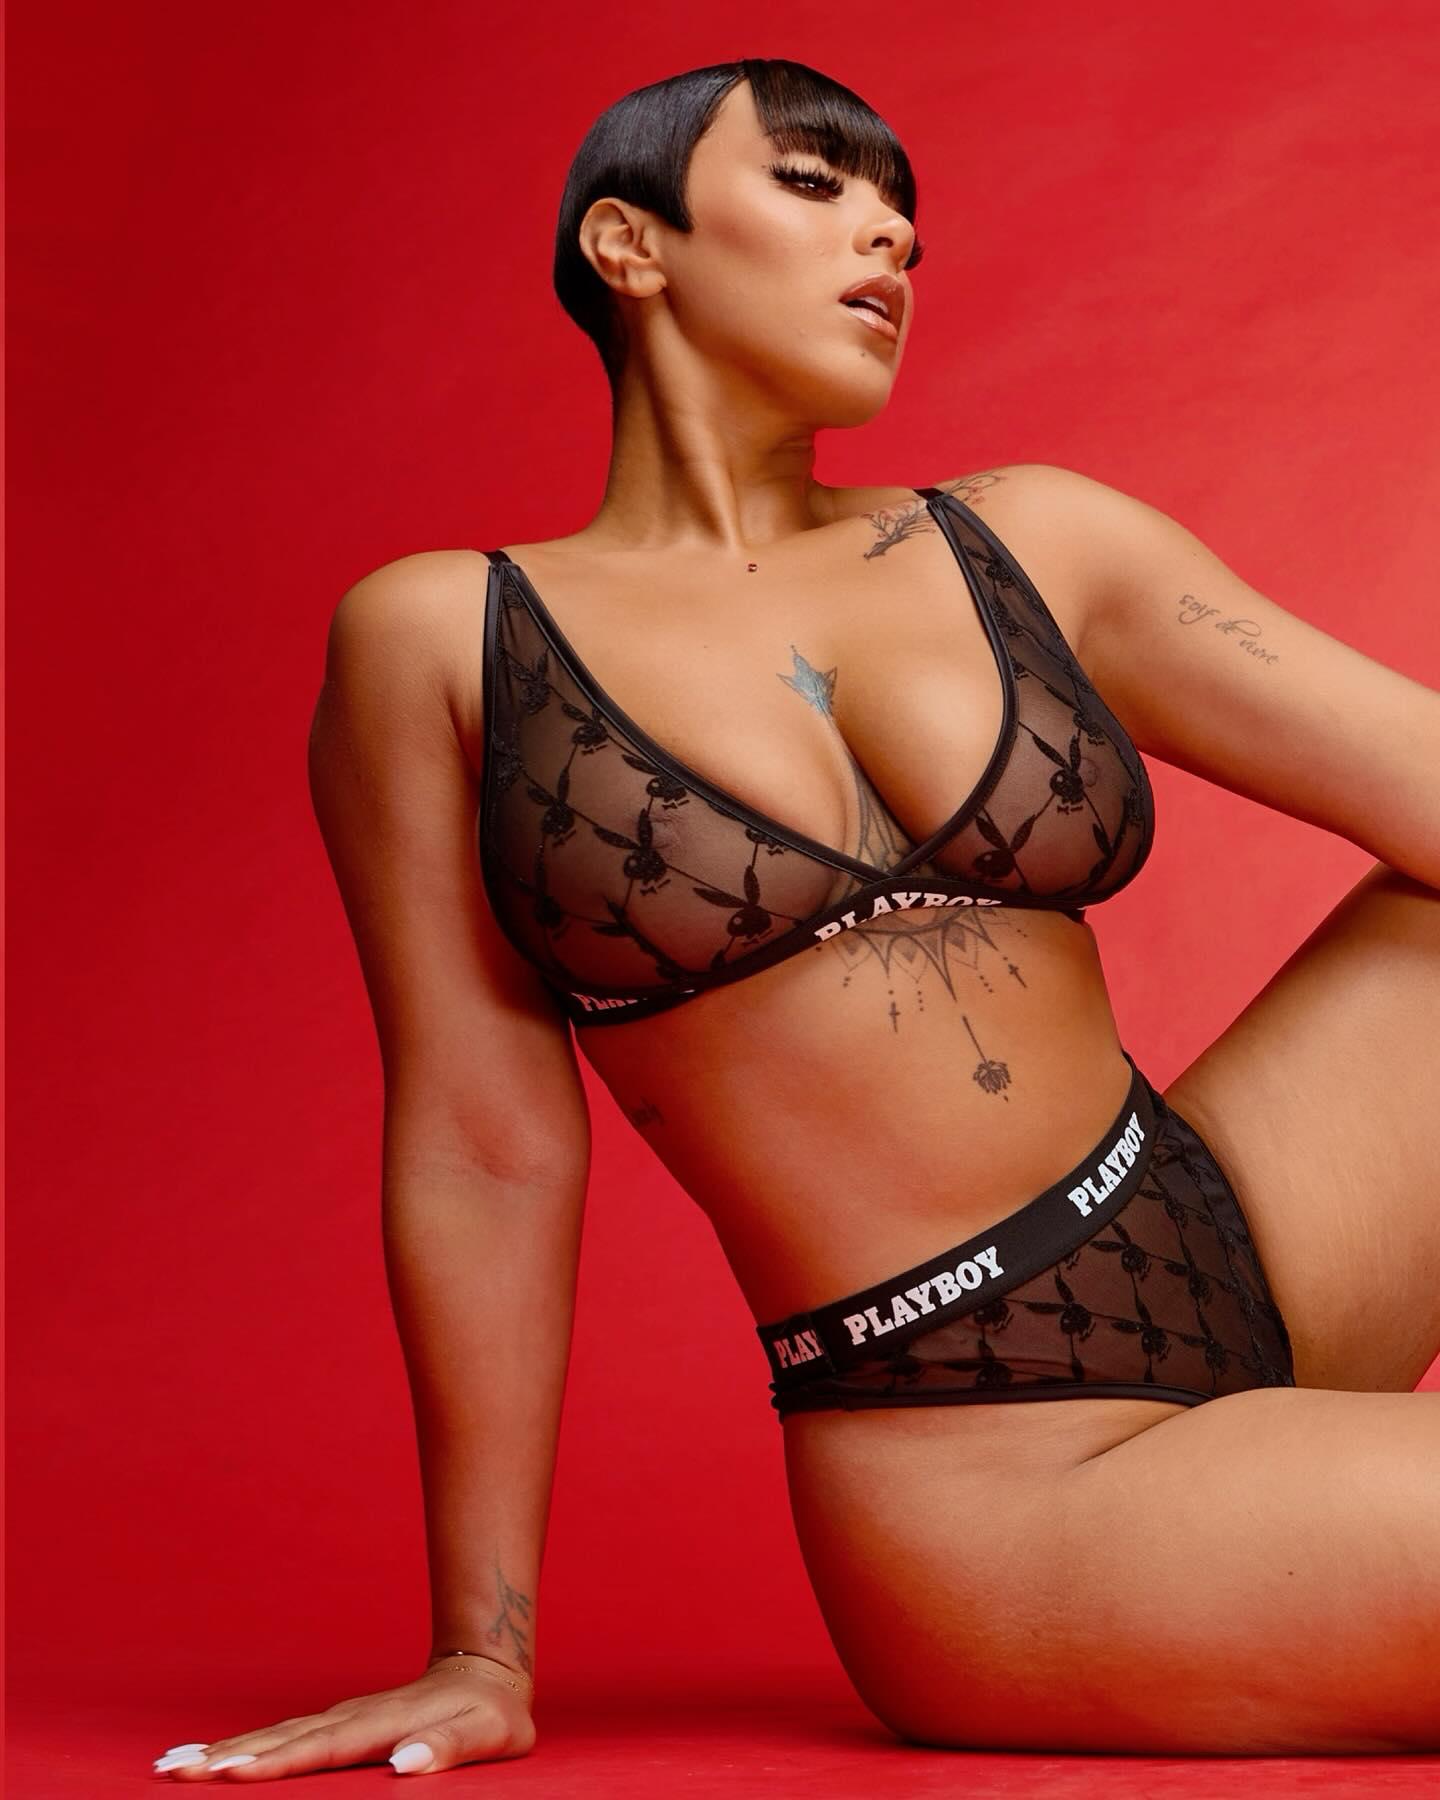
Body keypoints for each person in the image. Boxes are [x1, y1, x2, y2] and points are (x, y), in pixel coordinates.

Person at [152, 57, 1440, 1782]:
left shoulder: (1037, 540)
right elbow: (484, 1149)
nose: (890, 234)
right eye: (818, 185)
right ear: (630, 244)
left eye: (904, 211)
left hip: (1248, 1224)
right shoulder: (448, 642)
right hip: (996, 1466)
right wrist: (481, 1648)